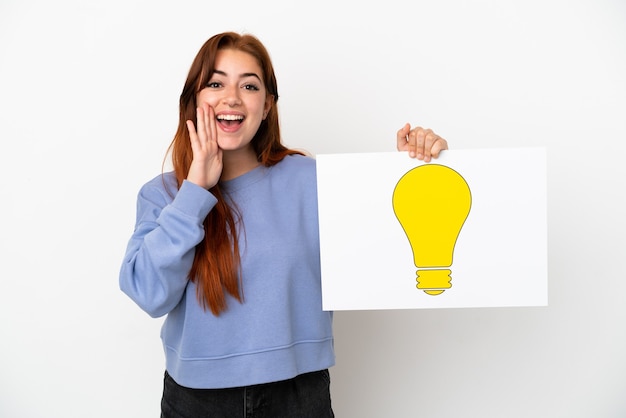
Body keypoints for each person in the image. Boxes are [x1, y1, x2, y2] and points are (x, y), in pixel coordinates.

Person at [119, 31, 448, 418]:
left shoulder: (314, 180)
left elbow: (391, 246)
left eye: (249, 85)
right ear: (195, 99)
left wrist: (417, 167)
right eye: (215, 83)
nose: (231, 97)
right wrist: (194, 191)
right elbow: (147, 293)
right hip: (196, 400)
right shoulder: (163, 194)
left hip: (298, 394)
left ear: (267, 105)